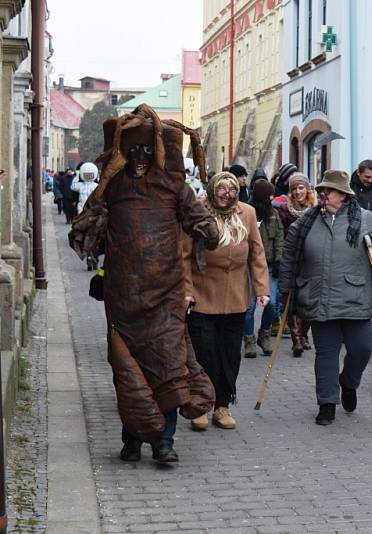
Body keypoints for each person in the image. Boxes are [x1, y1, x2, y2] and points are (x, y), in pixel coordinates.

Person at [69, 104, 219, 464]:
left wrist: (205, 227)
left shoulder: (173, 187)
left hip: (165, 296)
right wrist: (105, 182)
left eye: (146, 152)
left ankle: (163, 441)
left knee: (167, 365)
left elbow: (206, 229)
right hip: (123, 297)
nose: (138, 160)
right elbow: (81, 233)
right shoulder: (114, 188)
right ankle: (133, 438)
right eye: (132, 152)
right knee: (129, 367)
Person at [279, 169, 372, 426]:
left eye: (327, 191)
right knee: (326, 353)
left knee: (362, 348)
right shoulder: (306, 221)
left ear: (343, 195)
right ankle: (327, 403)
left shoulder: (364, 218)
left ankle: (348, 383)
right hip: (319, 296)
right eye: (320, 191)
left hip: (355, 295)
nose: (322, 195)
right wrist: (286, 290)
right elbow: (289, 256)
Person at [184, 171, 270, 431]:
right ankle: (201, 406)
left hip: (235, 298)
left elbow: (257, 252)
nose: (227, 194)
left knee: (230, 355)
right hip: (202, 295)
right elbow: (183, 256)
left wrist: (261, 288)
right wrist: (186, 291)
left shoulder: (247, 213)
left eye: (232, 190)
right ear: (212, 189)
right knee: (204, 354)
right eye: (221, 189)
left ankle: (222, 406)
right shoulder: (198, 211)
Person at [243, 171, 284, 357]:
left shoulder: (274, 214)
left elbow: (279, 239)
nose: (271, 200)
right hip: (248, 266)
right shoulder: (247, 213)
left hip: (270, 266)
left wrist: (279, 260)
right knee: (250, 306)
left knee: (272, 304)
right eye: (268, 196)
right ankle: (249, 340)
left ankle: (264, 335)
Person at [277, 173, 317, 357]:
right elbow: (280, 234)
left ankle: (303, 334)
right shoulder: (284, 210)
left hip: (310, 259)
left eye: (301, 188)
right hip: (292, 258)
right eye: (294, 189)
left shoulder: (315, 208)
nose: (298, 191)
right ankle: (296, 339)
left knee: (307, 300)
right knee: (291, 300)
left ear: (307, 189)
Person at [71, 162, 101, 270]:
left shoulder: (97, 186)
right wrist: (77, 175)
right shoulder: (81, 186)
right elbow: (73, 186)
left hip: (94, 215)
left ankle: (93, 257)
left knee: (94, 238)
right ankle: (90, 257)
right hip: (83, 214)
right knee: (86, 237)